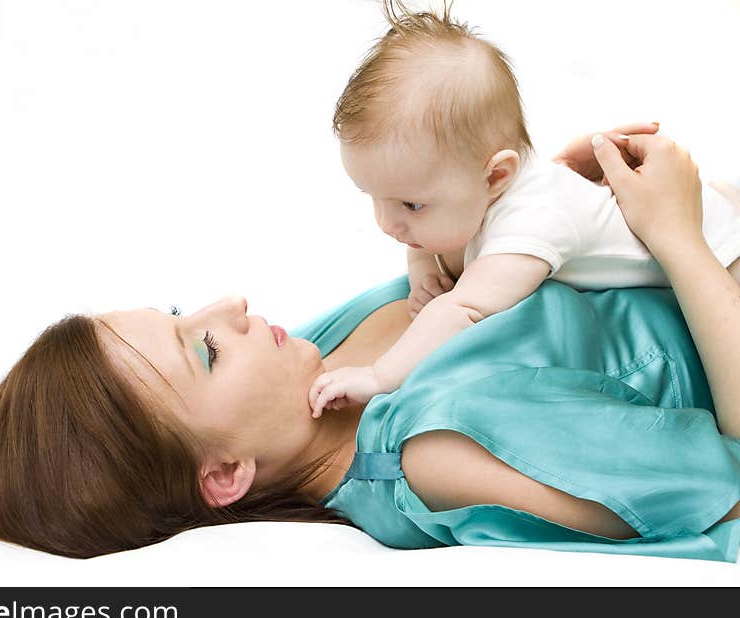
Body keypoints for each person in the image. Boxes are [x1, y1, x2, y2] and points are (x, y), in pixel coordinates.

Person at [0, 128, 740, 561]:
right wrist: (679, 244)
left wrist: (536, 213)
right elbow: (727, 490)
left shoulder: (319, 360)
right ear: (224, 474)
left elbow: (498, 306)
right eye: (205, 350)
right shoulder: (435, 452)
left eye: (186, 311)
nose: (233, 305)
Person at [307, 2, 740, 418]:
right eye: (373, 197)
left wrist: (379, 375)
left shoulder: (534, 222)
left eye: (411, 204)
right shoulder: (476, 189)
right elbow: (427, 242)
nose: (386, 224)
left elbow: (464, 309)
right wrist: (423, 270)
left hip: (724, 255)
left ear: (496, 176)